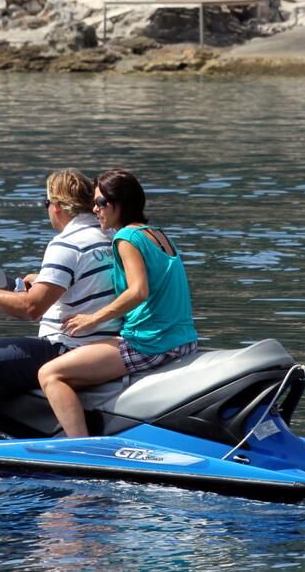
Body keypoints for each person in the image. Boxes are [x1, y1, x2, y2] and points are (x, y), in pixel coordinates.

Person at [0, 169, 119, 442]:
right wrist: (41, 282)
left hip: (68, 347)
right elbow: (90, 286)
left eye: (46, 203)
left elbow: (30, 309)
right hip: (105, 344)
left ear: (58, 206)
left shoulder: (67, 243)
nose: (48, 209)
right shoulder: (108, 237)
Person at [37, 170, 197, 438]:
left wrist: (93, 319)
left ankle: (81, 448)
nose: (95, 209)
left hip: (149, 342)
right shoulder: (156, 234)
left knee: (51, 374)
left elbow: (138, 291)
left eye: (100, 203)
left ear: (118, 204)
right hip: (183, 339)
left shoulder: (125, 239)